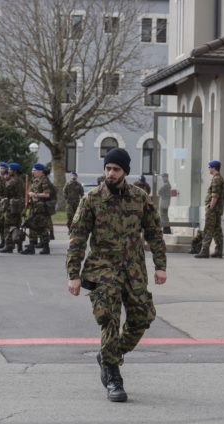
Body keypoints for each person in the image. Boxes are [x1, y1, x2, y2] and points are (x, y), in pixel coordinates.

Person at [65, 148, 166, 403]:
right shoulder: (92, 199)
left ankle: (109, 354)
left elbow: (154, 232)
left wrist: (160, 265)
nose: (110, 173)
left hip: (133, 270)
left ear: (125, 172)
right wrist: (73, 274)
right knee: (108, 317)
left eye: (116, 169)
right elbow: (77, 238)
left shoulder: (140, 198)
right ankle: (113, 376)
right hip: (103, 269)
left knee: (143, 317)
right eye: (108, 168)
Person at [195, 160, 224, 258]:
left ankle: (204, 251)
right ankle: (219, 250)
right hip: (217, 210)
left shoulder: (216, 179)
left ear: (213, 168)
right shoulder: (219, 178)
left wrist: (210, 206)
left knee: (208, 229)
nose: (208, 169)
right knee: (217, 230)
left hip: (213, 210)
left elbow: (215, 195)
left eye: (209, 167)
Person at [21, 163, 52, 255]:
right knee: (32, 226)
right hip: (34, 206)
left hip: (40, 207)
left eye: (34, 170)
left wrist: (35, 195)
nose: (32, 172)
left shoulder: (44, 180)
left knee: (41, 227)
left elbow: (47, 194)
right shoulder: (35, 180)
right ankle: (32, 246)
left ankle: (45, 247)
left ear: (39, 171)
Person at [0, 162, 26, 253]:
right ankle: (19, 245)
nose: (8, 171)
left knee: (8, 225)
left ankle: (9, 245)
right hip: (19, 205)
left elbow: (4, 190)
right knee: (17, 225)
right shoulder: (20, 180)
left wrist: (4, 180)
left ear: (14, 171)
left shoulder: (12, 181)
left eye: (10, 169)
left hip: (12, 205)